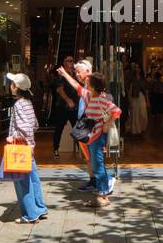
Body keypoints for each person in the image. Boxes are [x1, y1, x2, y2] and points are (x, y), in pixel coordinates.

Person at [5, 72, 49, 223]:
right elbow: (34, 124)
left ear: (16, 87)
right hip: (29, 147)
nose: (10, 85)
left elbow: (24, 128)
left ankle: (30, 214)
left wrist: (15, 137)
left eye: (12, 83)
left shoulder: (18, 104)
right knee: (33, 178)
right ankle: (39, 208)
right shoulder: (28, 102)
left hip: (21, 148)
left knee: (22, 181)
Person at [57, 58, 99, 190]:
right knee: (89, 156)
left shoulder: (91, 83)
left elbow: (76, 86)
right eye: (76, 72)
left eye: (79, 71)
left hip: (90, 125)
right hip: (85, 124)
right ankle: (93, 181)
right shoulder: (88, 84)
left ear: (88, 71)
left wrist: (64, 74)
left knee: (93, 156)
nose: (77, 74)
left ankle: (99, 183)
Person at [83, 73, 120, 207]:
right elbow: (77, 86)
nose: (87, 85)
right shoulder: (92, 96)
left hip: (97, 136)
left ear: (92, 87)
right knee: (98, 164)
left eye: (89, 83)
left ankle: (102, 195)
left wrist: (106, 124)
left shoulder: (101, 100)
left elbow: (117, 111)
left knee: (98, 165)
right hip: (94, 135)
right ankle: (103, 194)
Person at [50, 55, 79, 159]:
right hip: (63, 106)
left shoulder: (76, 75)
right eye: (69, 61)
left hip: (74, 107)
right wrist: (68, 100)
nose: (71, 63)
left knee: (77, 128)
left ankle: (81, 150)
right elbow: (60, 90)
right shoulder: (61, 75)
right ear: (64, 63)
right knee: (59, 128)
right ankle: (56, 149)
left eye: (72, 60)